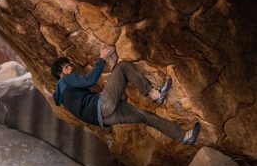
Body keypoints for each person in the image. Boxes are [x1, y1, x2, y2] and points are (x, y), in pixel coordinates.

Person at [44, 46, 200, 145]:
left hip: (104, 119)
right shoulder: (65, 81)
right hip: (102, 106)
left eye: (69, 64)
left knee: (146, 116)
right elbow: (89, 80)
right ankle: (154, 94)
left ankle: (184, 137)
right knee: (123, 66)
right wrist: (102, 58)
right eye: (66, 66)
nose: (70, 67)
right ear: (60, 74)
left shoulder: (61, 97)